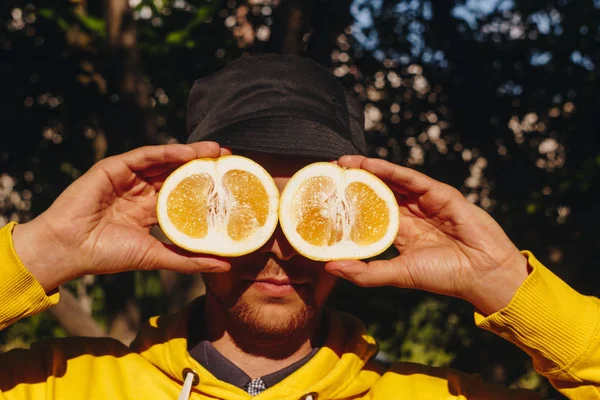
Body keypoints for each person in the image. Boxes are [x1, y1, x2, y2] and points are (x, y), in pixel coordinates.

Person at [1, 54, 598, 400]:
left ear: (362, 218)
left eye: (315, 216)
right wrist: (44, 250)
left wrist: (503, 284)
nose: (283, 245)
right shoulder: (57, 385)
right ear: (186, 216)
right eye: (250, 208)